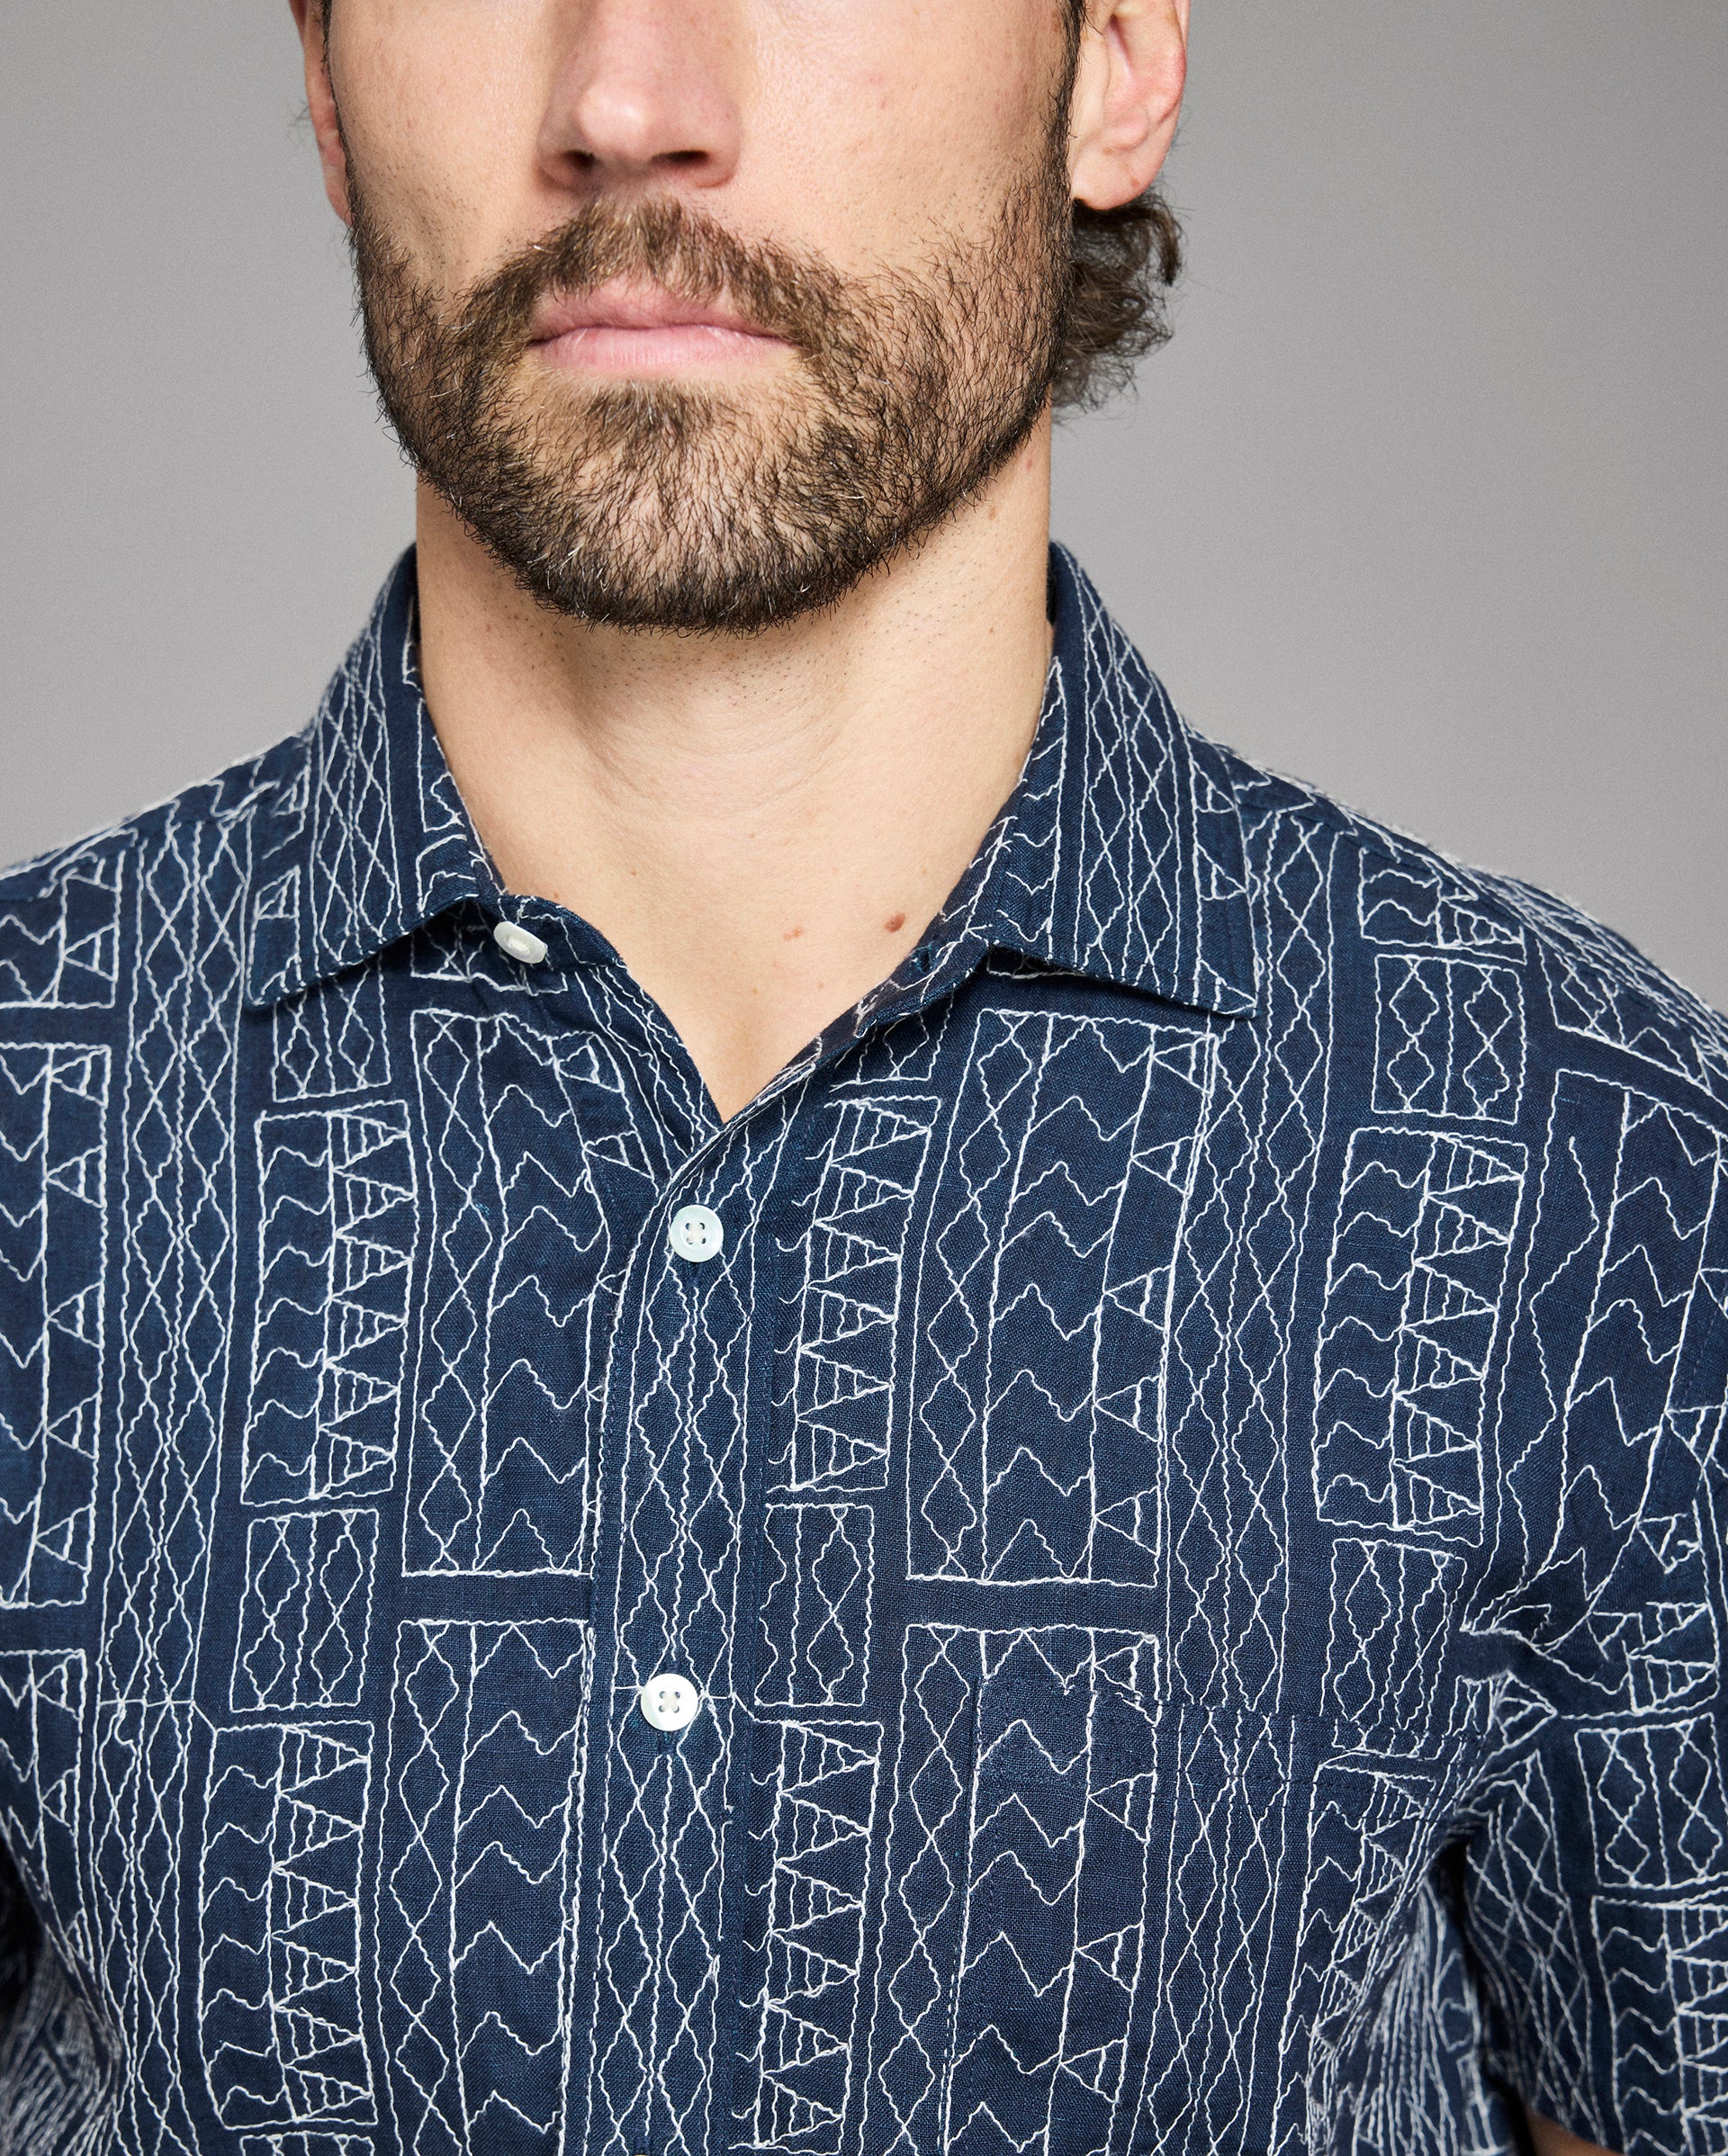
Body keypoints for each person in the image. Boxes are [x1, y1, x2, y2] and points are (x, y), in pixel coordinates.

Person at [0, 0, 1720, 2148]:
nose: (629, 103)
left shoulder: (1588, 1155)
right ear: (328, 82)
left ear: (1111, 62)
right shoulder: (31, 1112)